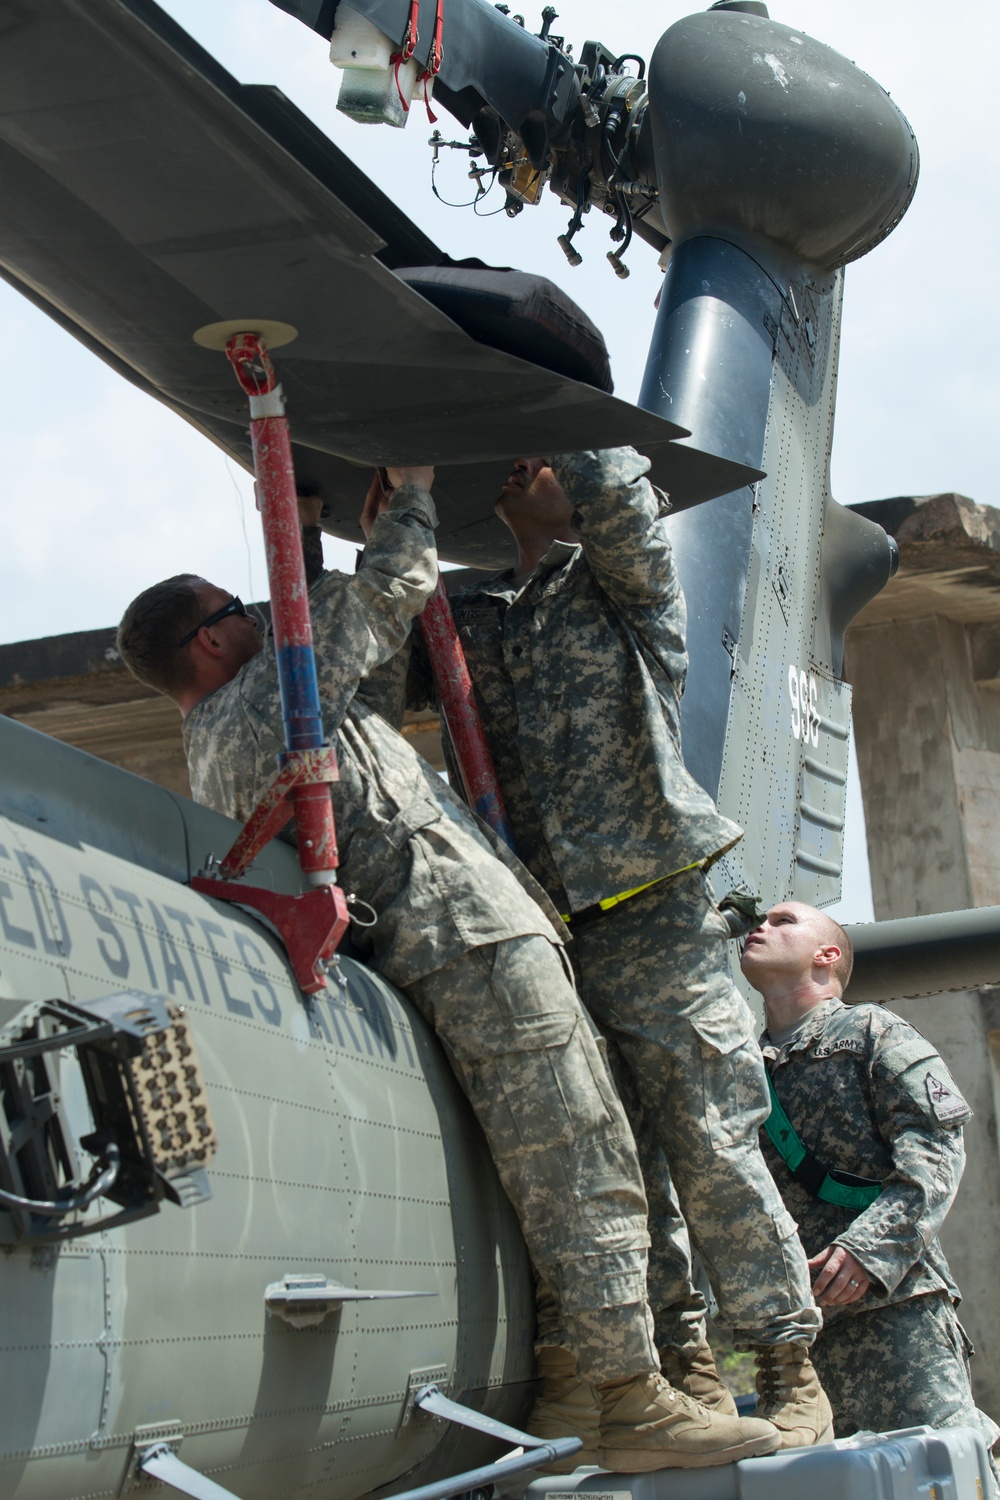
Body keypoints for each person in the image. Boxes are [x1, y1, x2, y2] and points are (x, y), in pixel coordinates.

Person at [116, 466, 780, 1474]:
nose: (259, 613)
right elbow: (389, 594)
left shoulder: (239, 726)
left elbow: (361, 646)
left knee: (563, 1164)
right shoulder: (264, 702)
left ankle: (574, 1394)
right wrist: (413, 494)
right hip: (468, 938)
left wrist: (314, 534)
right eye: (236, 609)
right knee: (581, 1156)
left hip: (457, 937)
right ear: (211, 642)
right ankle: (633, 1397)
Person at [420, 448, 829, 1450]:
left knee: (713, 1149)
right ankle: (682, 1367)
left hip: (653, 909)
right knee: (625, 1168)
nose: (523, 476)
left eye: (539, 467)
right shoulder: (464, 621)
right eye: (511, 469)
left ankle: (787, 1367)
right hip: (548, 928)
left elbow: (631, 509)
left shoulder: (616, 589)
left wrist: (583, 475)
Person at [741, 899, 1000, 1487]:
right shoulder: (746, 1070)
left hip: (894, 1309)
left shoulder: (871, 1030)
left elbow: (935, 1146)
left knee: (941, 1473)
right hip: (797, 1337)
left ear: (826, 957)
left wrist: (869, 1250)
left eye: (785, 922)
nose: (762, 926)